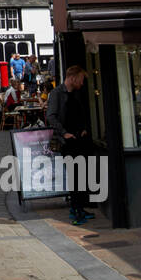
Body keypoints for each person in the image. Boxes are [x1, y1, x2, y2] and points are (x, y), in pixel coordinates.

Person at [47, 65, 94, 225]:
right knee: (75, 176)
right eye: (81, 80)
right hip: (67, 142)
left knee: (81, 176)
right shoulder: (57, 93)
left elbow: (80, 114)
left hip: (79, 140)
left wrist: (83, 129)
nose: (82, 83)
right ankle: (76, 210)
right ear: (73, 78)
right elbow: (51, 117)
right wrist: (64, 132)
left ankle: (79, 208)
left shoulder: (77, 93)